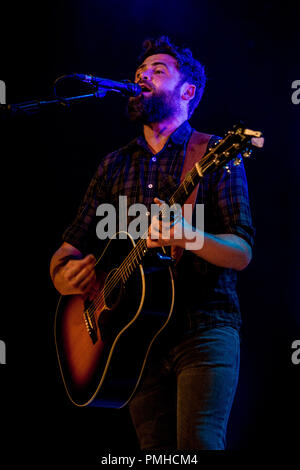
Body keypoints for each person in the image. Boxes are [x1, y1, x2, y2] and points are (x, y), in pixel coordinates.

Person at [50, 36, 255, 450]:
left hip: (204, 329)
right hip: (133, 338)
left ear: (188, 91)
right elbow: (68, 248)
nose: (142, 75)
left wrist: (189, 236)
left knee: (198, 448)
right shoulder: (114, 164)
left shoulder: (212, 152)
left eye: (158, 70)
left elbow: (242, 252)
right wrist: (63, 276)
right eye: (140, 70)